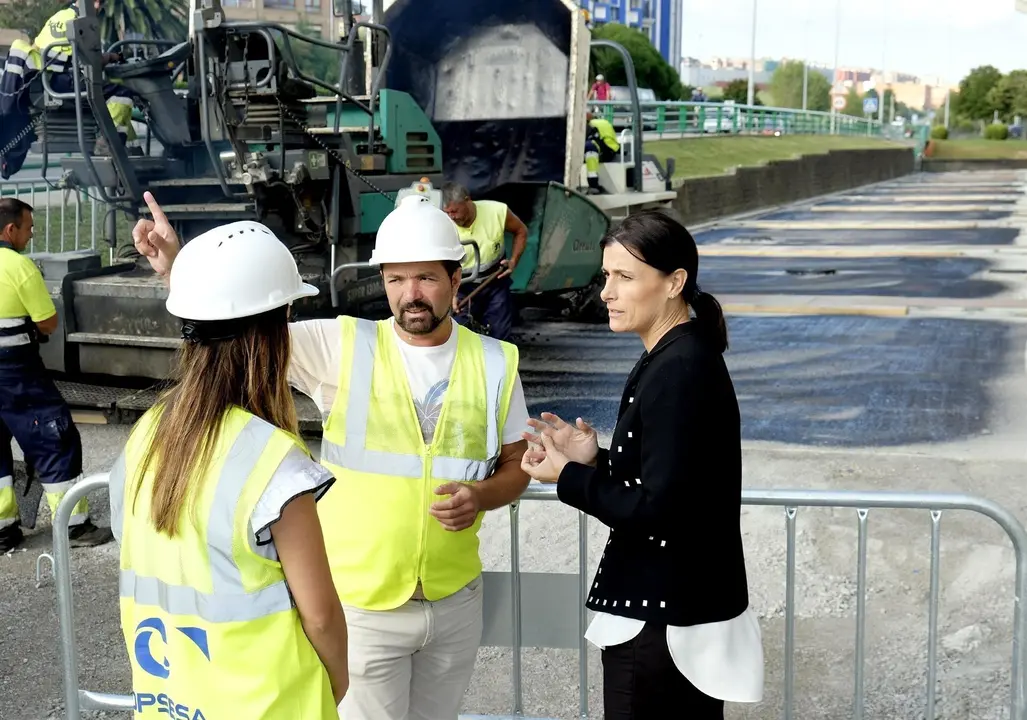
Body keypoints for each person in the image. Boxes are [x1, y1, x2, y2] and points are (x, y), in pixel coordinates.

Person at [132, 192, 532, 720]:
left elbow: (516, 463)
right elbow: (239, 329)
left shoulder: (496, 361)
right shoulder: (343, 345)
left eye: (426, 278)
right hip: (363, 606)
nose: (410, 294)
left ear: (455, 280)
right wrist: (180, 270)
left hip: (454, 600)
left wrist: (481, 495)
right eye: (395, 279)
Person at [521, 210, 764, 718]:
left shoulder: (679, 366)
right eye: (605, 276)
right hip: (672, 617)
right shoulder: (679, 354)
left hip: (662, 628)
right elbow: (675, 481)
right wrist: (594, 458)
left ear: (675, 282)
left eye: (625, 277)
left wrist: (567, 476)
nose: (606, 292)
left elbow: (658, 509)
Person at [107, 219, 349, 717]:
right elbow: (321, 617)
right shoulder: (273, 462)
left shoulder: (148, 435)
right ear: (277, 331)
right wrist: (335, 685)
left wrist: (183, 272)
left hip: (170, 704)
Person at [0, 198, 112, 552]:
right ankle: (74, 525)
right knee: (53, 437)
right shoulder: (18, 267)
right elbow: (47, 322)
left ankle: (3, 528)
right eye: (29, 228)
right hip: (15, 372)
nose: (31, 236)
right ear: (10, 229)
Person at [34, 0, 137, 151]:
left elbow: (37, 48)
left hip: (49, 81)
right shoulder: (83, 22)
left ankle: (133, 150)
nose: (97, 6)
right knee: (122, 94)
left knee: (118, 108)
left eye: (100, 2)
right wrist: (110, 57)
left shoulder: (58, 17)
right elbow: (92, 60)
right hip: (68, 81)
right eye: (96, 1)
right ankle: (109, 145)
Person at [441, 182, 528, 342]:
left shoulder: (496, 211)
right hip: (462, 287)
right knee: (459, 337)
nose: (452, 217)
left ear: (468, 200)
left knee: (499, 336)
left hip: (495, 281)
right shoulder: (443, 224)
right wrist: (450, 293)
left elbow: (521, 231)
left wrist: (514, 261)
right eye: (447, 213)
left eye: (454, 211)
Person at [584, 111, 621, 194]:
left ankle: (593, 184)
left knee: (589, 148)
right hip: (613, 150)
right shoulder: (604, 122)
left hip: (602, 151)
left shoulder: (589, 125)